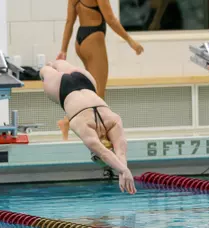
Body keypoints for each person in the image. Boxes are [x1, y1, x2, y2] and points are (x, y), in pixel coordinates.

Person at [39, 60, 137, 194]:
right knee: (45, 70)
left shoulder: (113, 120)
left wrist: (123, 170)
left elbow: (117, 151)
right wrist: (122, 170)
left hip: (86, 82)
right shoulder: (86, 129)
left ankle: (52, 62)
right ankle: (49, 63)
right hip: (61, 89)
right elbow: (108, 152)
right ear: (93, 153)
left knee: (55, 64)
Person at [56, 0, 144, 141]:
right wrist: (130, 41)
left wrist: (63, 50)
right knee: (99, 94)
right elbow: (111, 19)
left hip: (80, 41)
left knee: (90, 91)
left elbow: (69, 22)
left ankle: (67, 121)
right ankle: (101, 136)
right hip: (93, 40)